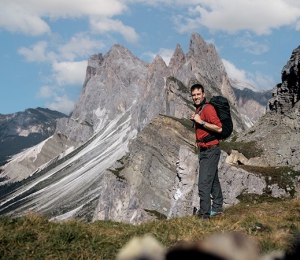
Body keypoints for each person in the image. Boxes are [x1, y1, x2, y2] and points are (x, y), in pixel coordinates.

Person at [189, 83, 224, 220]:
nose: (196, 97)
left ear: (204, 94)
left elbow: (219, 128)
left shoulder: (208, 109)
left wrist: (201, 122)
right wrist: (196, 118)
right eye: (193, 95)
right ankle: (217, 208)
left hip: (210, 150)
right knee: (213, 180)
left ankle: (204, 215)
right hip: (205, 150)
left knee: (203, 183)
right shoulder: (199, 109)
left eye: (198, 94)